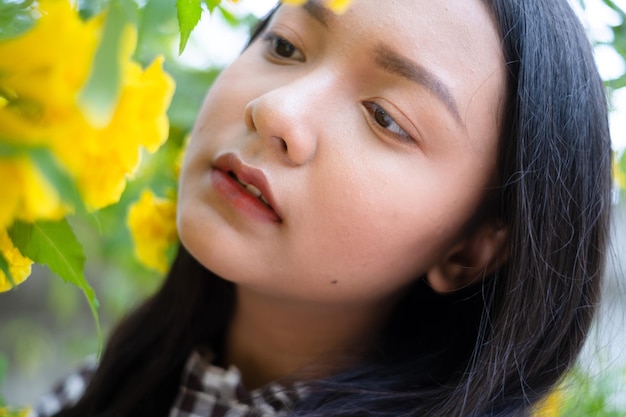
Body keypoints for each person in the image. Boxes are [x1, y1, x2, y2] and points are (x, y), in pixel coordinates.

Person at [39, 0, 612, 416]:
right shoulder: (101, 390)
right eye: (285, 45)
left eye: (386, 117)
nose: (276, 109)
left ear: (472, 248)